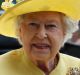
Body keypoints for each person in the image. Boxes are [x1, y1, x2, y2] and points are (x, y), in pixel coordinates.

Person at [0, 0, 80, 75]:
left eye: (51, 26)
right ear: (20, 30)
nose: (41, 35)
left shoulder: (77, 66)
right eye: (33, 24)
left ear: (64, 33)